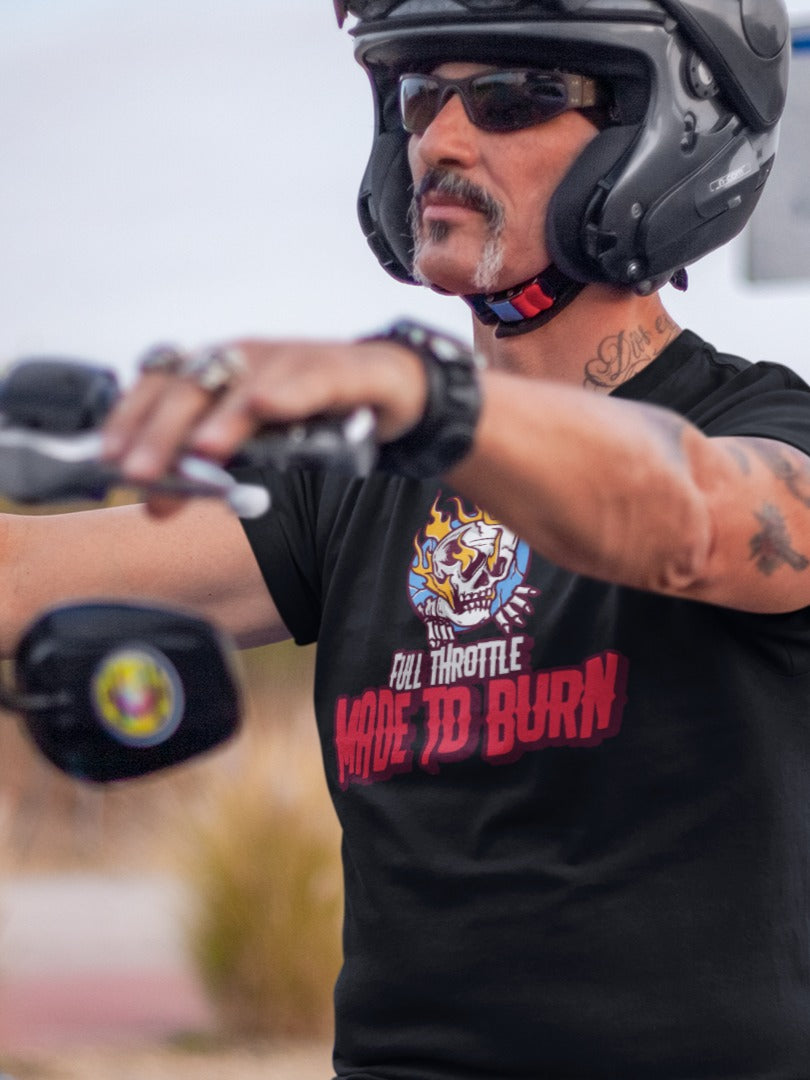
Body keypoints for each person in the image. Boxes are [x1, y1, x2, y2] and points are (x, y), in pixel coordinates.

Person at [4, 0, 810, 1075]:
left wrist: (422, 395)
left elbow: (690, 518)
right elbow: (22, 581)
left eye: (512, 99)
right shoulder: (357, 474)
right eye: (418, 96)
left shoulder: (761, 434)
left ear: (661, 134)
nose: (440, 139)